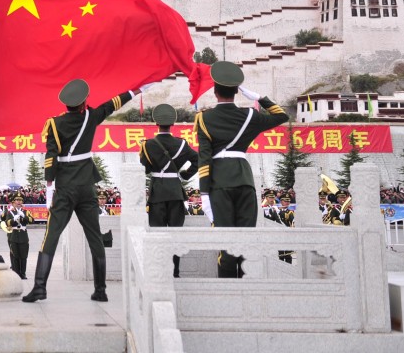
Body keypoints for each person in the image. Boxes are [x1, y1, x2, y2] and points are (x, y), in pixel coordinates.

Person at [23, 78, 142, 303]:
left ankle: (40, 287)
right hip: (87, 185)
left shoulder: (55, 124)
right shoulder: (91, 117)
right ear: (83, 102)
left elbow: (51, 156)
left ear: (66, 104)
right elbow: (112, 104)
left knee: (52, 234)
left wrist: (49, 186)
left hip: (65, 187)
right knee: (94, 236)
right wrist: (134, 91)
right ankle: (101, 290)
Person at [196, 61, 290, 278]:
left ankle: (228, 288)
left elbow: (204, 158)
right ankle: (245, 289)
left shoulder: (204, 118)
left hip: (219, 182)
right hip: (245, 180)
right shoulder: (250, 116)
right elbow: (281, 116)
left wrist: (204, 193)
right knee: (247, 237)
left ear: (215, 91)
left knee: (226, 238)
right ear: (237, 91)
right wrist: (258, 98)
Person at [140, 103, 199, 278]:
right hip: (175, 193)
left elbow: (144, 168)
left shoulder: (148, 145)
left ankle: (159, 271)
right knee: (175, 233)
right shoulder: (182, 144)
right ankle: (175, 272)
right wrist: (184, 175)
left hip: (157, 192)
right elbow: (198, 160)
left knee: (157, 234)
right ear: (173, 123)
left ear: (155, 122)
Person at [0, 191, 33, 279]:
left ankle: (23, 273)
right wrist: (13, 220)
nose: (18, 202)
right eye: (17, 200)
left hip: (23, 236)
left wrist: (23, 216)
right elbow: (6, 222)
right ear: (13, 202)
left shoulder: (26, 212)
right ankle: (16, 273)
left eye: (20, 200)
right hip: (13, 235)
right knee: (15, 255)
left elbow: (31, 220)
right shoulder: (10, 212)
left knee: (23, 256)